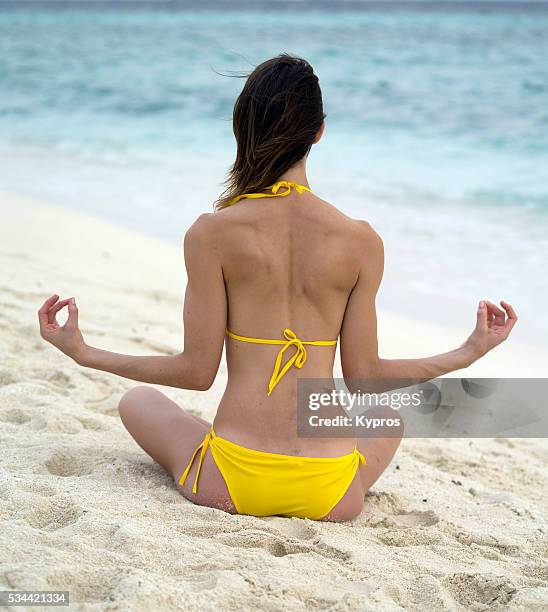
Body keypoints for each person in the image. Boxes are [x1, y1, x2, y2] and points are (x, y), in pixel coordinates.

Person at [38, 54, 517, 521]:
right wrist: (468, 351)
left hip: (231, 481)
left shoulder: (212, 234)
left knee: (137, 401)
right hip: (329, 492)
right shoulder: (361, 240)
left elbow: (196, 372)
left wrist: (85, 352)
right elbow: (365, 377)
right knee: (387, 416)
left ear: (241, 127)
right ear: (319, 132)